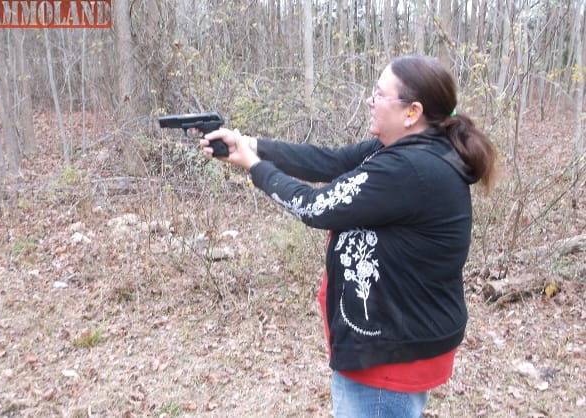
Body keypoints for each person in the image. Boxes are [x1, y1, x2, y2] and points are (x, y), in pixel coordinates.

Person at [200, 55, 497, 418]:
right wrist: (249, 144)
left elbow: (315, 207)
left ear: (412, 111)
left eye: (379, 93)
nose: (370, 101)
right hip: (399, 338)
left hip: (389, 355)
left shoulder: (408, 168)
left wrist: (255, 167)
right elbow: (330, 161)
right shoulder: (412, 148)